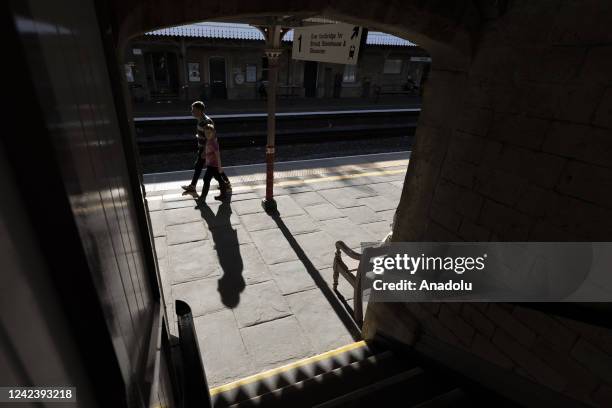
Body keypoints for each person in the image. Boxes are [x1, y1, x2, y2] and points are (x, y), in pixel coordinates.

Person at [182, 101, 231, 192]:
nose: (192, 112)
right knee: (202, 166)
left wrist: (205, 150)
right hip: (203, 147)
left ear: (200, 110)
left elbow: (210, 137)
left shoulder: (205, 121)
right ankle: (226, 183)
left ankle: (225, 183)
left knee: (205, 166)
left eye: (194, 110)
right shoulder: (201, 120)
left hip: (207, 148)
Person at [199, 123, 228, 201]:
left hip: (213, 165)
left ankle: (202, 197)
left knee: (206, 179)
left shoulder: (214, 143)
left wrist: (219, 166)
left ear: (214, 132)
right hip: (210, 165)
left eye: (209, 133)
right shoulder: (209, 141)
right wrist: (204, 154)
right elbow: (207, 150)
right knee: (218, 178)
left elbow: (218, 155)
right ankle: (224, 192)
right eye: (206, 133)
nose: (207, 134)